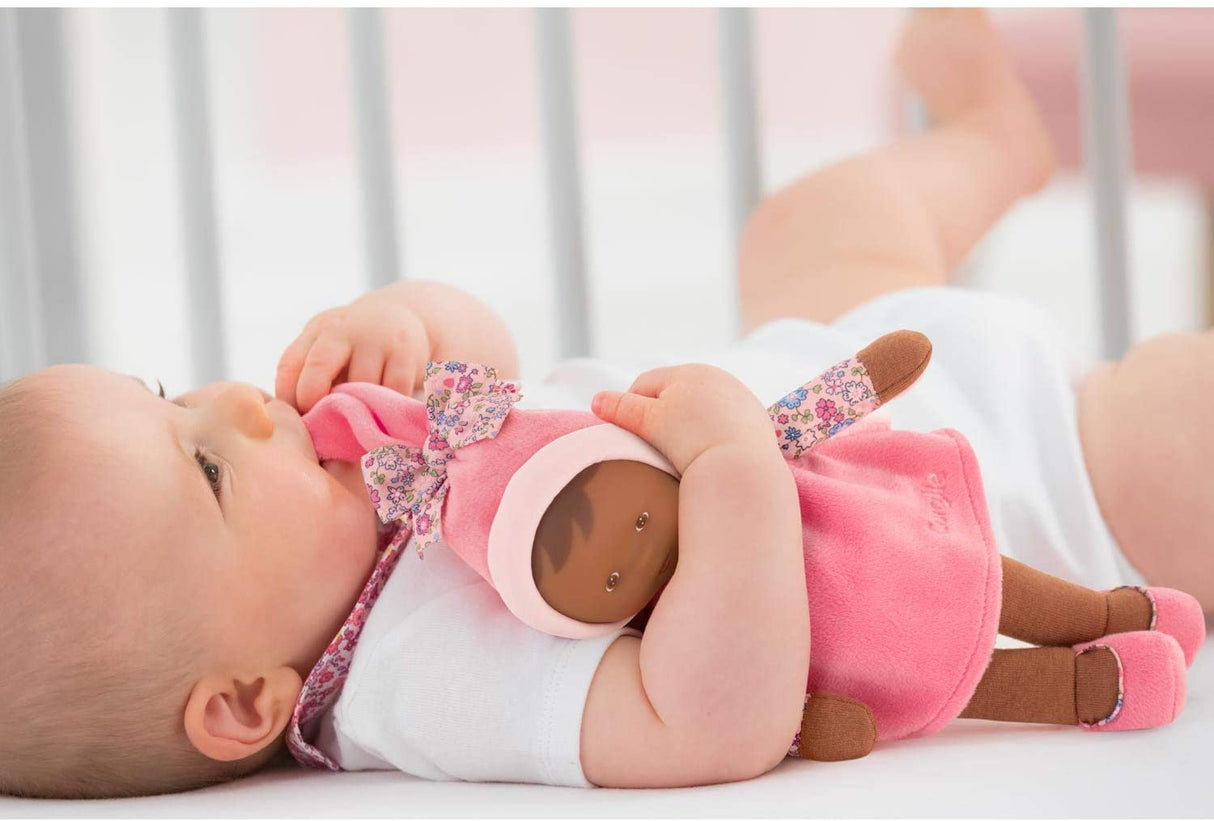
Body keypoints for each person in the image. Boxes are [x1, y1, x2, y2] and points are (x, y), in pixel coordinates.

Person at [0, 10, 1206, 799]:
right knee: (1180, 419)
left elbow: (494, 369)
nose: (238, 405)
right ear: (243, 701)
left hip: (824, 363)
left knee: (805, 227)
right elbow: (707, 718)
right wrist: (729, 474)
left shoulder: (359, 478)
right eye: (205, 466)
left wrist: (413, 325)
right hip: (1039, 484)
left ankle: (993, 142)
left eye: (172, 396)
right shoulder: (420, 677)